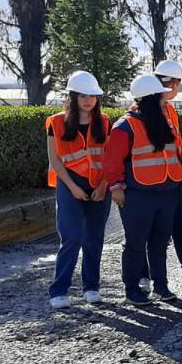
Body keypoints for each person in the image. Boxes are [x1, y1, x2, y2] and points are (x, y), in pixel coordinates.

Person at [103, 75, 182, 305]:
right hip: (139, 195)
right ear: (151, 98)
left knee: (159, 242)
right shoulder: (125, 126)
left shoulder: (165, 121)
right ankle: (132, 289)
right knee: (135, 243)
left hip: (167, 192)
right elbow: (112, 161)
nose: (163, 99)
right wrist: (116, 188)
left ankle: (161, 286)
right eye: (160, 95)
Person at [45, 71, 112, 308]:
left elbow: (110, 158)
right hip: (70, 184)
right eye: (83, 95)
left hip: (99, 186)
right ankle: (59, 291)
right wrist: (72, 187)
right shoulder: (55, 122)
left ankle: (91, 288)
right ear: (73, 97)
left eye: (92, 96)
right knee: (71, 237)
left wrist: (104, 186)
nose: (88, 100)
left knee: (94, 238)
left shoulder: (104, 121)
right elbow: (55, 161)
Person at [138, 59, 182, 291]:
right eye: (176, 84)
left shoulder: (169, 110)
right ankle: (144, 276)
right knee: (145, 232)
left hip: (172, 180)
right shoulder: (139, 111)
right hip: (147, 183)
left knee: (178, 226)